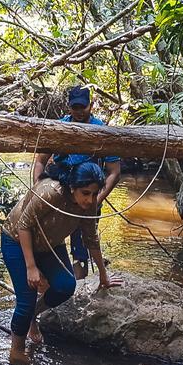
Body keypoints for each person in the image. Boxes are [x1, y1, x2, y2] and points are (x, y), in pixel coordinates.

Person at [0, 161, 121, 364]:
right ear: (72, 188)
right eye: (85, 193)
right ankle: (17, 351)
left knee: (66, 285)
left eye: (94, 193)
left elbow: (91, 238)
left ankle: (32, 316)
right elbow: (23, 225)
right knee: (26, 299)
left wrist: (103, 275)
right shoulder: (50, 192)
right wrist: (31, 267)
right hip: (17, 240)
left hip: (49, 244)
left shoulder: (89, 206)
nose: (90, 199)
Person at [30, 85, 121, 279]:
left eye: (83, 107)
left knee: (83, 248)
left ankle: (78, 288)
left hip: (86, 200)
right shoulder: (59, 128)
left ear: (91, 105)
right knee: (45, 243)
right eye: (75, 107)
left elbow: (114, 172)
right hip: (57, 197)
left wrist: (96, 200)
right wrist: (37, 188)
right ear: (69, 107)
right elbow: (40, 160)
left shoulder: (102, 132)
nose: (79, 112)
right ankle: (49, 289)